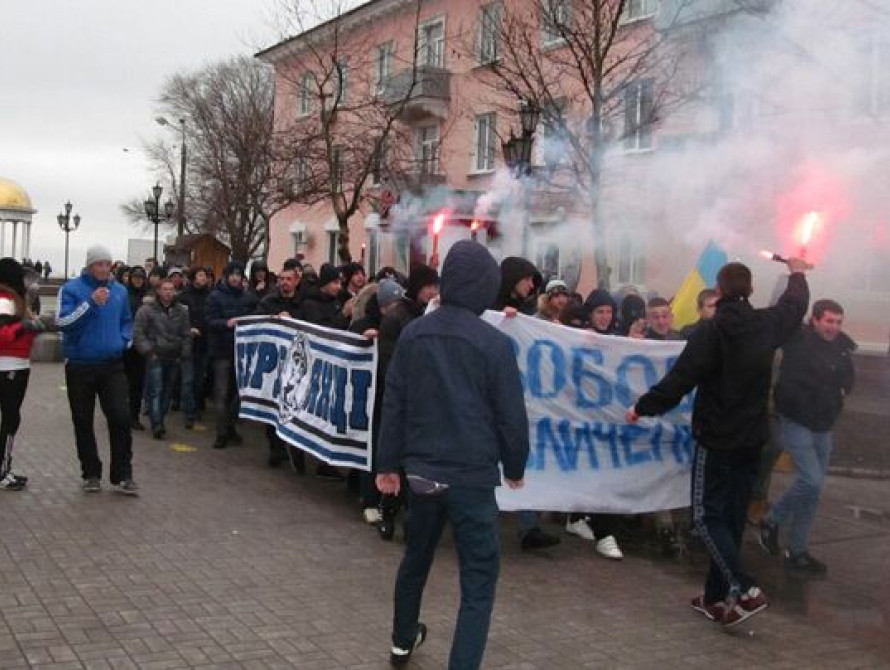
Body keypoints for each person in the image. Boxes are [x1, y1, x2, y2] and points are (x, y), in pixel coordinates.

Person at [626, 258, 809, 628]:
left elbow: (681, 379)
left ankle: (746, 588)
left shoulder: (712, 331)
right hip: (752, 438)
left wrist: (642, 407)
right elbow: (794, 306)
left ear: (720, 290)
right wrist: (797, 273)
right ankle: (715, 596)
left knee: (706, 517)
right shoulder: (765, 323)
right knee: (732, 518)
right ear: (751, 290)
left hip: (717, 438)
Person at [376, 240, 528, 669]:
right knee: (478, 580)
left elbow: (395, 401)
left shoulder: (414, 333)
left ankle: (402, 639)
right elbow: (511, 415)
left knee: (416, 557)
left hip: (422, 473)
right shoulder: (494, 344)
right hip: (472, 477)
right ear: (484, 287)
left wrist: (388, 464)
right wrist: (515, 465)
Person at [759, 299, 856, 574]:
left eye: (838, 322)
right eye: (829, 321)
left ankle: (798, 550)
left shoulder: (842, 347)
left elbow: (848, 378)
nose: (833, 327)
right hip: (797, 420)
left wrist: (841, 393)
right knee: (811, 480)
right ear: (815, 320)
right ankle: (771, 520)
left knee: (813, 491)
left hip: (824, 424)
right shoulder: (798, 341)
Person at [56, 245, 138, 495]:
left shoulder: (120, 291)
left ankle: (123, 475)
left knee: (121, 417)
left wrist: (124, 340)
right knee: (83, 420)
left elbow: (127, 321)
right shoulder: (71, 289)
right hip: (80, 365)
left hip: (112, 365)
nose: (104, 269)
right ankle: (91, 473)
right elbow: (63, 322)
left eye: (107, 264)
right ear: (90, 266)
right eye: (99, 264)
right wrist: (90, 303)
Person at [493, 256, 558, 550]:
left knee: (526, 457)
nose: (532, 286)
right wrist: (498, 317)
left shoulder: (528, 312)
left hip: (521, 397)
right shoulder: (489, 306)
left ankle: (528, 526)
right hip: (491, 397)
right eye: (527, 279)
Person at [375, 264, 439, 538]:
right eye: (429, 287)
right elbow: (390, 364)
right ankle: (387, 512)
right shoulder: (396, 318)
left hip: (427, 402)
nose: (433, 292)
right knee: (397, 461)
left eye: (436, 287)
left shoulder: (434, 315)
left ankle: (415, 520)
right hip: (402, 400)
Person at [349, 279, 406, 525]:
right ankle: (369, 499)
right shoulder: (364, 325)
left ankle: (392, 498)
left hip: (394, 394)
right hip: (372, 396)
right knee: (372, 448)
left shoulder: (404, 323)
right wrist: (362, 340)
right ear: (383, 307)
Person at [0, 258, 54, 490]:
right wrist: (27, 326)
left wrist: (36, 325)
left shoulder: (15, 299)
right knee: (10, 418)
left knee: (11, 418)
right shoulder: (5, 299)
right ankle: (2, 471)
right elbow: (3, 335)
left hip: (17, 363)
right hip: (8, 366)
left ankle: (5, 467)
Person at [254, 264, 303, 468]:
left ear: (296, 281)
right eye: (281, 279)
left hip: (297, 364)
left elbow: (313, 327)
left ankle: (295, 450)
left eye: (288, 279)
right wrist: (273, 321)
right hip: (275, 362)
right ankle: (275, 448)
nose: (284, 283)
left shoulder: (304, 304)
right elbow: (257, 322)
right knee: (274, 404)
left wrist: (293, 321)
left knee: (295, 404)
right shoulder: (268, 302)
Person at [205, 261, 258, 449]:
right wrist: (225, 323)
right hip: (222, 351)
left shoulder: (248, 298)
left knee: (237, 394)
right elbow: (209, 321)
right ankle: (221, 433)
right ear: (226, 276)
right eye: (232, 275)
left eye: (238, 275)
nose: (235, 278)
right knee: (221, 393)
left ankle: (230, 426)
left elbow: (257, 317)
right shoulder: (215, 296)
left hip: (242, 353)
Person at [133, 278, 194, 439]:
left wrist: (184, 352)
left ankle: (160, 417)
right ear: (159, 291)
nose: (168, 292)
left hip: (174, 355)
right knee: (156, 390)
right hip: (155, 354)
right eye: (165, 289)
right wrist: (148, 351)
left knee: (167, 391)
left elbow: (186, 333)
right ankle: (157, 424)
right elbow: (138, 333)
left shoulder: (181, 311)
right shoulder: (147, 310)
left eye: (171, 289)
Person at [178, 266, 211, 417]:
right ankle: (189, 411)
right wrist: (189, 329)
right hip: (188, 342)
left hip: (204, 343)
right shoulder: (184, 296)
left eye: (204, 275)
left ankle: (196, 406)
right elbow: (179, 318)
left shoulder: (210, 296)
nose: (203, 278)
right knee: (188, 379)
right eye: (200, 275)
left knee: (199, 379)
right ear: (193, 278)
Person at [123, 266, 148, 430]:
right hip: (126, 343)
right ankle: (122, 413)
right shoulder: (124, 295)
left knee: (138, 383)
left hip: (142, 344)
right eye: (135, 277)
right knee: (123, 382)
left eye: (140, 278)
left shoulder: (149, 296)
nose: (138, 280)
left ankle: (134, 416)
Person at [300, 263, 349, 330]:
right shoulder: (310, 304)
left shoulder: (335, 301)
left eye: (340, 283)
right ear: (325, 283)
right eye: (335, 282)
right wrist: (343, 315)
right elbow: (322, 330)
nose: (339, 287)